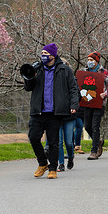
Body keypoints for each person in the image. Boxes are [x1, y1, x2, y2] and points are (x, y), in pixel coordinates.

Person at [23, 43, 79, 179]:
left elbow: (73, 89)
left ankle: (53, 168)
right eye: (42, 53)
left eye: (46, 54)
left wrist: (74, 105)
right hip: (38, 111)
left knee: (54, 141)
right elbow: (28, 88)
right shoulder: (37, 68)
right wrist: (30, 76)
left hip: (55, 112)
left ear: (53, 56)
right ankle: (43, 163)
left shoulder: (65, 70)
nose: (43, 56)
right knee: (33, 137)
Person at [84, 51, 108, 160]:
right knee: (87, 125)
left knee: (95, 126)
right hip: (87, 102)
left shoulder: (104, 72)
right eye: (88, 60)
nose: (89, 62)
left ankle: (94, 151)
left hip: (99, 103)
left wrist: (106, 94)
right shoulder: (85, 72)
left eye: (91, 60)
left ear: (96, 61)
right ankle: (98, 141)